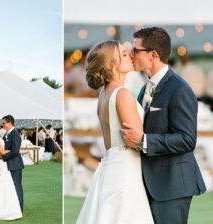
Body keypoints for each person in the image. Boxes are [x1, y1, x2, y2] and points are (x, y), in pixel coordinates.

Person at [121, 27, 206, 224]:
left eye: (136, 50)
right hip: (150, 182)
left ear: (153, 55)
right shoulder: (145, 88)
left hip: (172, 185)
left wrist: (144, 141)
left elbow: (187, 140)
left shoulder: (180, 89)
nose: (132, 54)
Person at [76, 40, 154, 224]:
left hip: (112, 164)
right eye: (124, 54)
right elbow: (136, 141)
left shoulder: (104, 94)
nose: (129, 55)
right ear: (112, 64)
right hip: (126, 169)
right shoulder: (122, 94)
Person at [0, 115, 24, 212]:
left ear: (9, 123)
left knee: (16, 186)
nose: (2, 125)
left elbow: (15, 151)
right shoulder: (6, 134)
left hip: (15, 165)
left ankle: (19, 208)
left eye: (4, 123)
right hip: (6, 165)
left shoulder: (15, 135)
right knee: (9, 187)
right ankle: (11, 207)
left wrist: (2, 156)